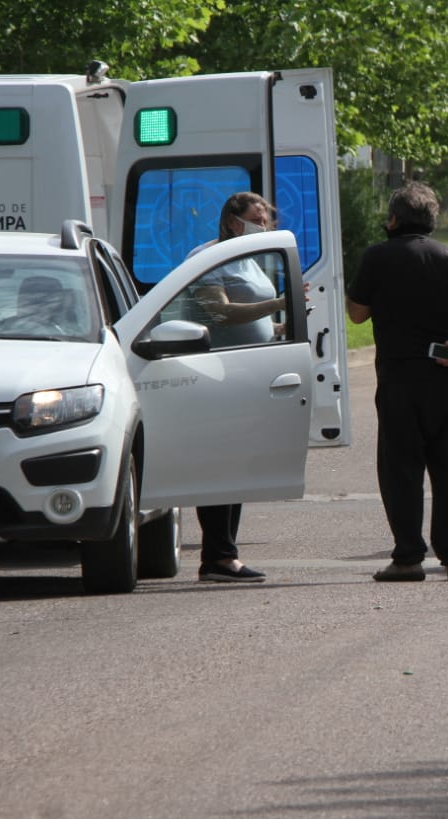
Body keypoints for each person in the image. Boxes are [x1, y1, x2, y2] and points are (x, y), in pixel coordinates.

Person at [347, 181, 448, 582]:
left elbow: (358, 314)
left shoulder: (377, 258)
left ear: (394, 218)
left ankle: (409, 558)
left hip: (400, 378)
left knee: (402, 469)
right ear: (432, 220)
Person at [189, 191, 285, 583]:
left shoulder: (248, 260)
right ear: (232, 221)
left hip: (248, 373)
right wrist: (276, 305)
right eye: (257, 218)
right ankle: (217, 556)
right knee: (218, 463)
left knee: (237, 465)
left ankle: (225, 554)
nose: (264, 225)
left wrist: (279, 326)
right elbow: (218, 312)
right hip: (218, 375)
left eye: (266, 219)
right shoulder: (210, 257)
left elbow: (253, 320)